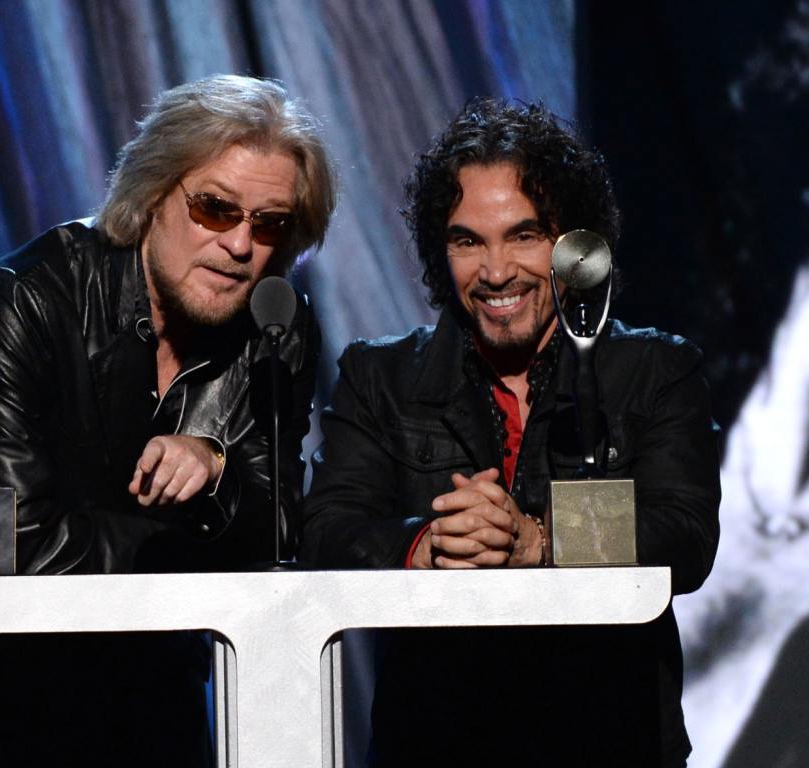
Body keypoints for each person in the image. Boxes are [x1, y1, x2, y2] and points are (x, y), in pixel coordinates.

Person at [0, 74, 336, 768]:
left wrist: (216, 470)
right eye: (216, 209)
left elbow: (282, 530)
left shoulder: (274, 328)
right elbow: (10, 553)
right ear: (152, 194)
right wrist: (197, 535)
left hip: (145, 718)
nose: (240, 244)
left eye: (269, 223)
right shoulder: (22, 303)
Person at [300, 99, 720, 767]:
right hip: (435, 744)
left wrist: (540, 541)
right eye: (468, 240)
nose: (495, 272)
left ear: (575, 246)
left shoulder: (654, 371)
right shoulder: (380, 375)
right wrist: (427, 544)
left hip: (611, 742)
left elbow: (686, 534)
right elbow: (323, 530)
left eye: (523, 235)